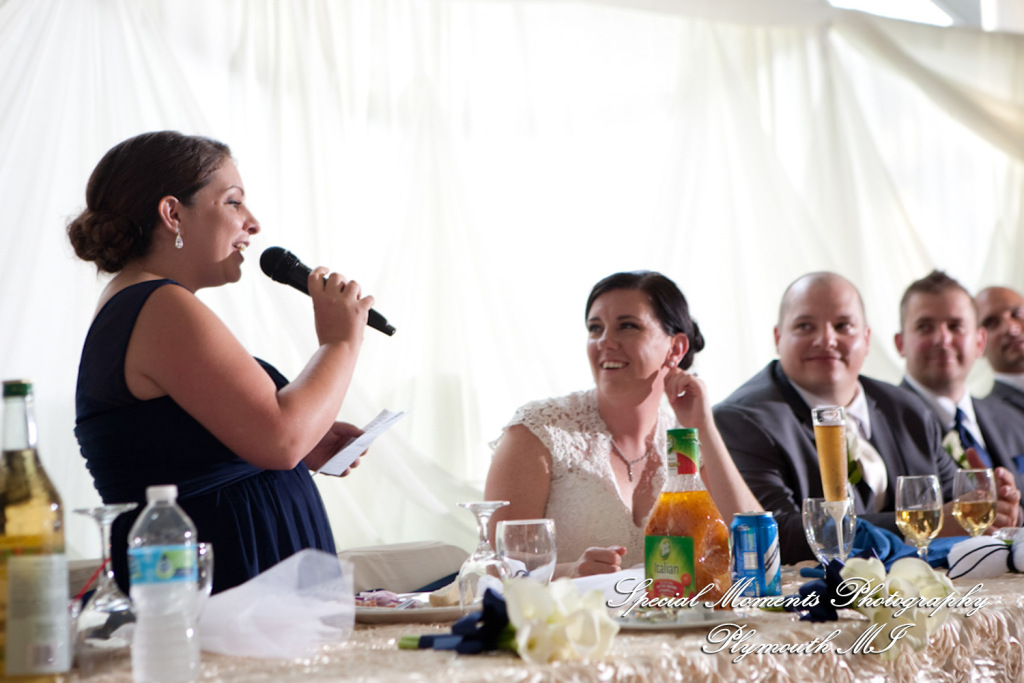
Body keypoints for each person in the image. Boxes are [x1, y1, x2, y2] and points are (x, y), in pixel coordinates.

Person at [68, 131, 376, 594]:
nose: (253, 223)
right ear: (173, 214)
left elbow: (214, 444)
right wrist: (340, 342)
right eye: (233, 202)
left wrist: (296, 443)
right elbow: (281, 438)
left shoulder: (145, 304)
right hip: (225, 594)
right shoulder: (158, 305)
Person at [713, 272, 1021, 564]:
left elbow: (954, 505)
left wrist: (991, 504)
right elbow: (776, 532)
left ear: (867, 338)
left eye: (843, 325)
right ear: (778, 337)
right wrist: (930, 525)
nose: (826, 339)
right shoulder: (741, 421)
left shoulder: (907, 409)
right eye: (805, 326)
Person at [484, 271, 761, 578]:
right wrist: (570, 572)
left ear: (675, 348)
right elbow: (498, 569)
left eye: (627, 326)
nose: (605, 341)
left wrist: (704, 427)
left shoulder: (686, 440)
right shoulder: (538, 431)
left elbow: (757, 546)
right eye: (595, 328)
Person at [895, 271, 1024, 489]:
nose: (943, 339)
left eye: (955, 326)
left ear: (980, 342)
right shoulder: (886, 425)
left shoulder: (1011, 418)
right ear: (901, 343)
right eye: (925, 327)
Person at [977, 285, 1024, 415]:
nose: (1012, 329)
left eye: (1016, 314)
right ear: (978, 343)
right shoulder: (989, 416)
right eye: (991, 323)